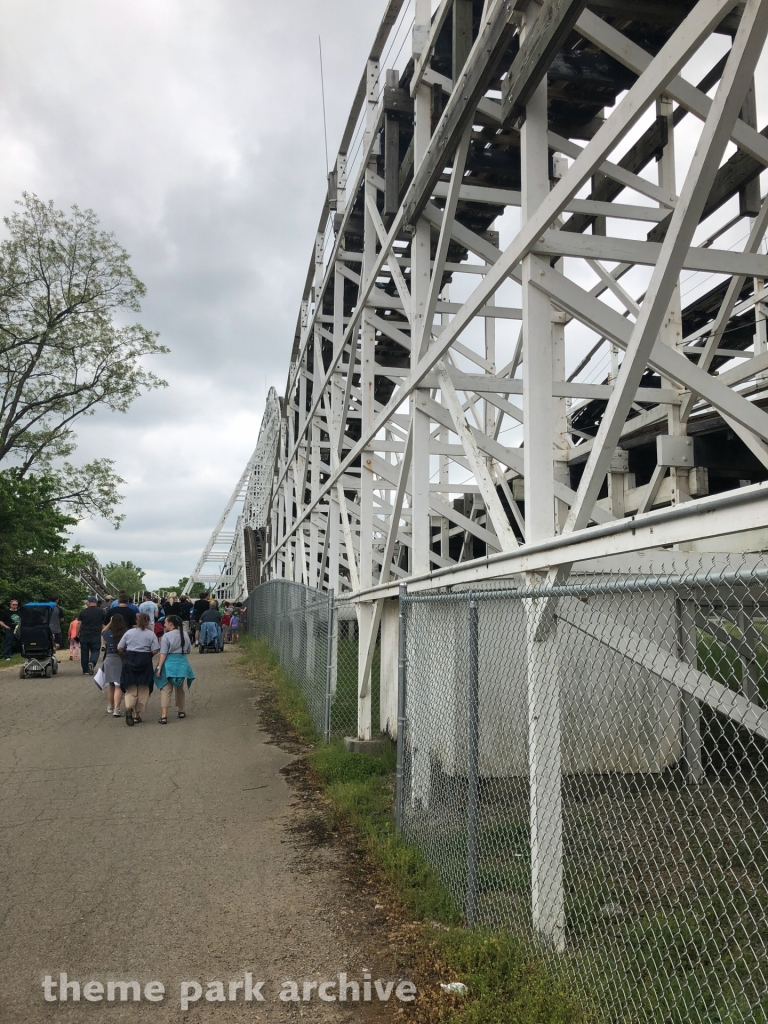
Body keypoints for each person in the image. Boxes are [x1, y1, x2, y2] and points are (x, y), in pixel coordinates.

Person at [117, 612, 159, 726]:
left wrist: (126, 655)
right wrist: (148, 655)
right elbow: (155, 650)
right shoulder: (151, 634)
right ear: (148, 621)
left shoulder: (129, 632)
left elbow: (119, 647)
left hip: (130, 659)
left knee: (130, 687)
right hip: (145, 660)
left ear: (137, 621)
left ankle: (129, 708)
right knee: (143, 688)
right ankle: (137, 716)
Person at [155, 615, 195, 723]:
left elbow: (163, 653)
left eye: (165, 622)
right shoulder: (185, 634)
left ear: (170, 624)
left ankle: (164, 716)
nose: (164, 624)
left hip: (169, 664)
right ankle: (181, 710)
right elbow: (188, 650)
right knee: (180, 688)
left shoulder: (166, 637)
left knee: (166, 690)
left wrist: (159, 667)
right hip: (181, 664)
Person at [101, 613, 127, 717]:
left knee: (111, 685)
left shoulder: (108, 634)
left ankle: (110, 706)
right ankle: (117, 708)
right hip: (120, 659)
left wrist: (110, 622)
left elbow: (103, 631)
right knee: (118, 685)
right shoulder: (125, 633)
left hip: (109, 659)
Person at [76, 596, 105, 675]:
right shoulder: (101, 612)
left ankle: (85, 670)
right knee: (95, 650)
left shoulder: (83, 612)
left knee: (84, 652)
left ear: (88, 603)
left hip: (84, 634)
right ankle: (92, 662)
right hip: (96, 634)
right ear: (96, 602)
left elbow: (79, 623)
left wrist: (76, 634)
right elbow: (103, 624)